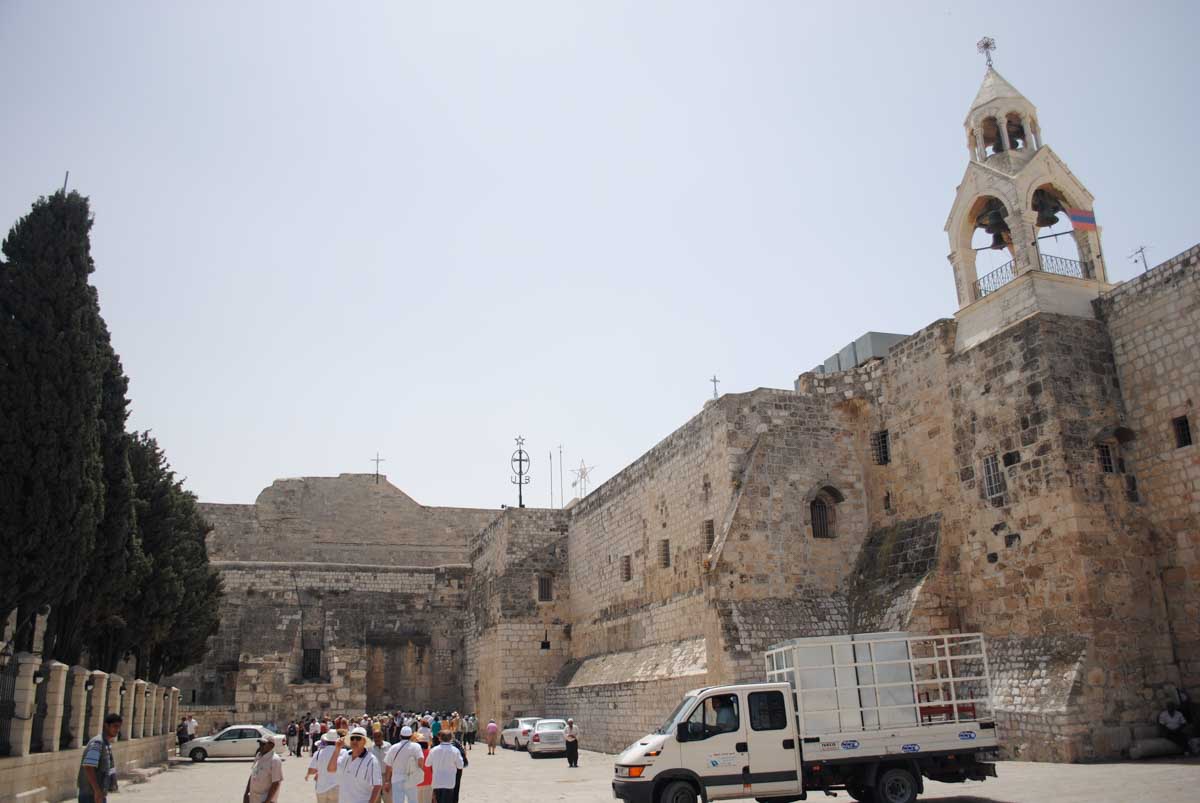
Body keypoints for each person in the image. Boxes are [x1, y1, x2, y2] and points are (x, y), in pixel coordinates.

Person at [327, 727, 383, 803]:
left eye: (358, 738)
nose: (354, 741)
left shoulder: (371, 761)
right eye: (352, 738)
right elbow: (331, 769)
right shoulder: (346, 755)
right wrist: (337, 749)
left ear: (364, 741)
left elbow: (377, 786)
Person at [78, 712, 122, 803]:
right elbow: (89, 767)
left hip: (98, 794)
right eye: (115, 726)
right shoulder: (98, 743)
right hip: (90, 795)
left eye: (119, 727)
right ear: (106, 726)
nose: (117, 730)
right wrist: (97, 791)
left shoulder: (106, 744)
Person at [383, 726, 424, 803]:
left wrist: (387, 781)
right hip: (411, 778)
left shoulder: (393, 747)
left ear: (400, 736)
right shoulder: (416, 746)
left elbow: (388, 765)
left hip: (397, 778)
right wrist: (418, 773)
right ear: (411, 736)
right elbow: (421, 761)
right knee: (413, 801)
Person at [244, 733, 284, 803]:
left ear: (271, 746)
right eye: (260, 744)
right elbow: (252, 775)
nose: (260, 746)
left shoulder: (275, 760)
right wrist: (246, 794)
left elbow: (276, 783)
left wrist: (267, 801)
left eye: (263, 744)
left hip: (266, 800)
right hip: (253, 798)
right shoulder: (259, 755)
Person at [425, 732, 464, 803]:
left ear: (440, 738)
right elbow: (460, 766)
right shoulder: (455, 751)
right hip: (449, 782)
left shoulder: (433, 750)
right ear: (451, 739)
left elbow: (427, 764)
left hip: (437, 781)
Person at [307, 730, 343, 803]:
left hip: (321, 788)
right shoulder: (343, 752)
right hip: (336, 787)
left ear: (325, 740)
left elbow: (312, 770)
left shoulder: (318, 753)